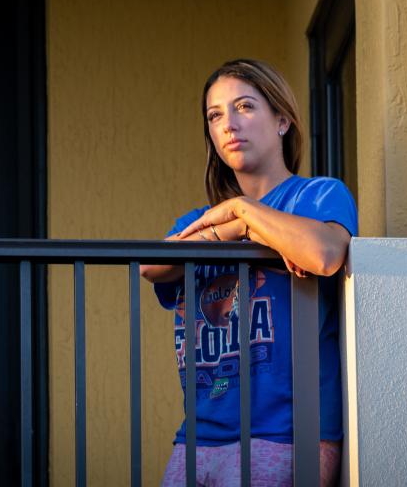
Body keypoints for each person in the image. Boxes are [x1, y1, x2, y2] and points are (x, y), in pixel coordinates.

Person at [141, 59, 357, 487]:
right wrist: (233, 226)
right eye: (215, 115)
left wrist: (242, 213)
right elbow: (152, 267)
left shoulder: (316, 196)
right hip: (198, 437)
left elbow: (324, 254)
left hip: (287, 434)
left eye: (244, 107)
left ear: (282, 120)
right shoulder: (200, 218)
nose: (228, 124)